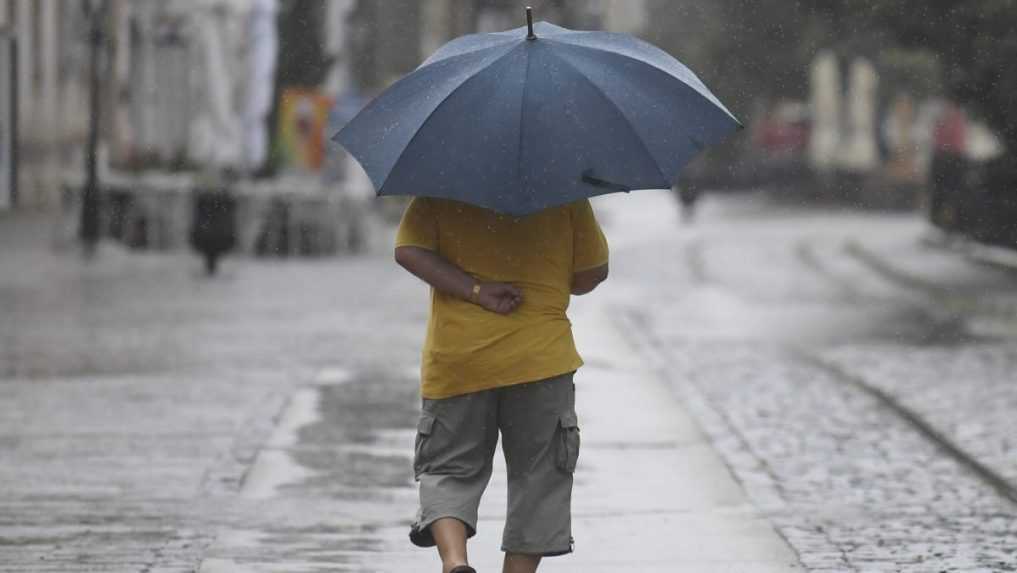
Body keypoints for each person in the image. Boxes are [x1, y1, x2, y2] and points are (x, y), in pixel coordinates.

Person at [394, 196, 610, 573]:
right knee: (539, 481)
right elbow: (592, 273)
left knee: (449, 468)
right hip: (540, 359)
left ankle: (455, 561)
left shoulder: (444, 182)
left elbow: (409, 250)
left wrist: (474, 289)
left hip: (460, 357)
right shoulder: (563, 190)